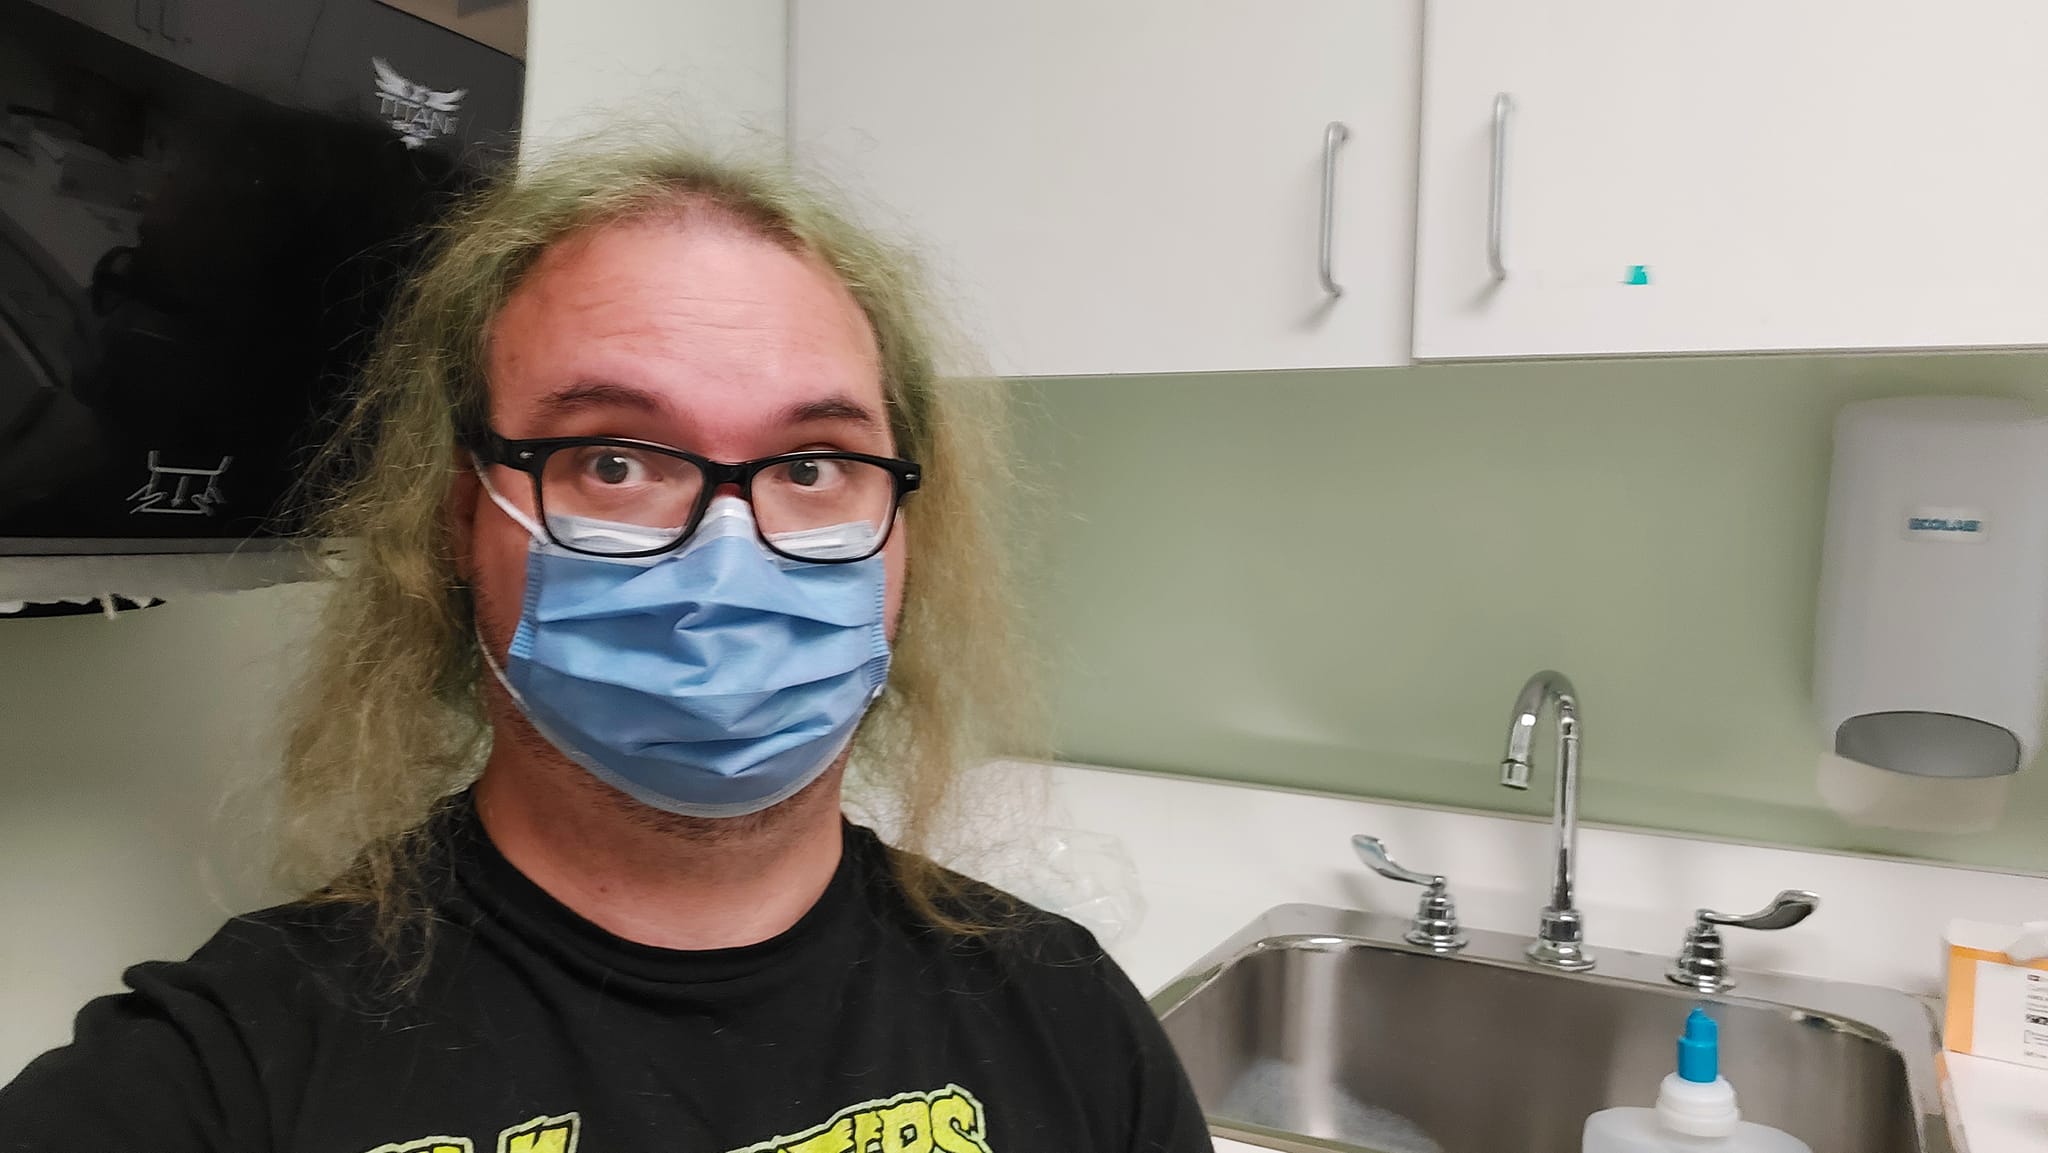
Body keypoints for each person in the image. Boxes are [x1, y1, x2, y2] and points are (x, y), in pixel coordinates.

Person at [0, 142, 1213, 1152]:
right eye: (613, 459)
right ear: (457, 519)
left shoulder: (1064, 1014)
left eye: (810, 465)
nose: (728, 552)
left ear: (903, 533)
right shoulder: (222, 1078)